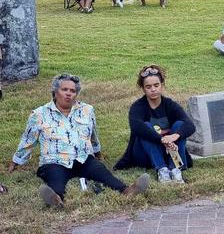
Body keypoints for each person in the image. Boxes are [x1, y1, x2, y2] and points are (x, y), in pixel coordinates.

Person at [7, 74, 149, 208]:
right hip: (54, 161)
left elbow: (93, 134)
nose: (69, 93)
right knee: (56, 181)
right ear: (55, 92)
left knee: (101, 172)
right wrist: (16, 162)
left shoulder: (87, 110)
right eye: (64, 90)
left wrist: (97, 151)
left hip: (83, 158)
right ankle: (56, 200)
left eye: (73, 91)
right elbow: (28, 140)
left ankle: (127, 190)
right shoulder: (39, 114)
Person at [114, 65, 196, 183]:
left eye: (156, 85)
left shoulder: (170, 104)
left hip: (170, 153)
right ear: (143, 88)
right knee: (146, 127)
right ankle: (162, 170)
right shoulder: (138, 107)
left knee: (180, 125)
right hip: (145, 154)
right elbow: (137, 128)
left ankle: (175, 169)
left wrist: (174, 136)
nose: (153, 89)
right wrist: (163, 140)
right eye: (148, 87)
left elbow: (190, 125)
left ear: (162, 85)